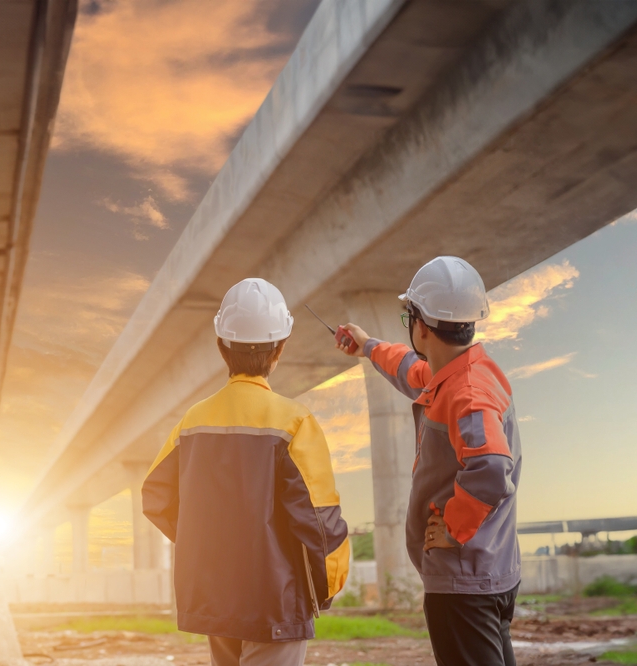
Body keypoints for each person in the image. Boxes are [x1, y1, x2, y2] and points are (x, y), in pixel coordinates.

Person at [143, 277, 350, 666]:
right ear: (281, 348)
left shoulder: (192, 422)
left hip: (216, 600)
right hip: (276, 602)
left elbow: (156, 497)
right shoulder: (295, 421)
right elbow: (320, 522)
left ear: (222, 345)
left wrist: (210, 547)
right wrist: (327, 587)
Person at [336, 256, 522, 666]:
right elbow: (409, 369)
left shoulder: (466, 394)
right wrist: (367, 345)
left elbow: (491, 468)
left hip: (463, 584)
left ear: (420, 325)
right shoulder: (464, 373)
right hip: (487, 571)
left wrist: (454, 527)